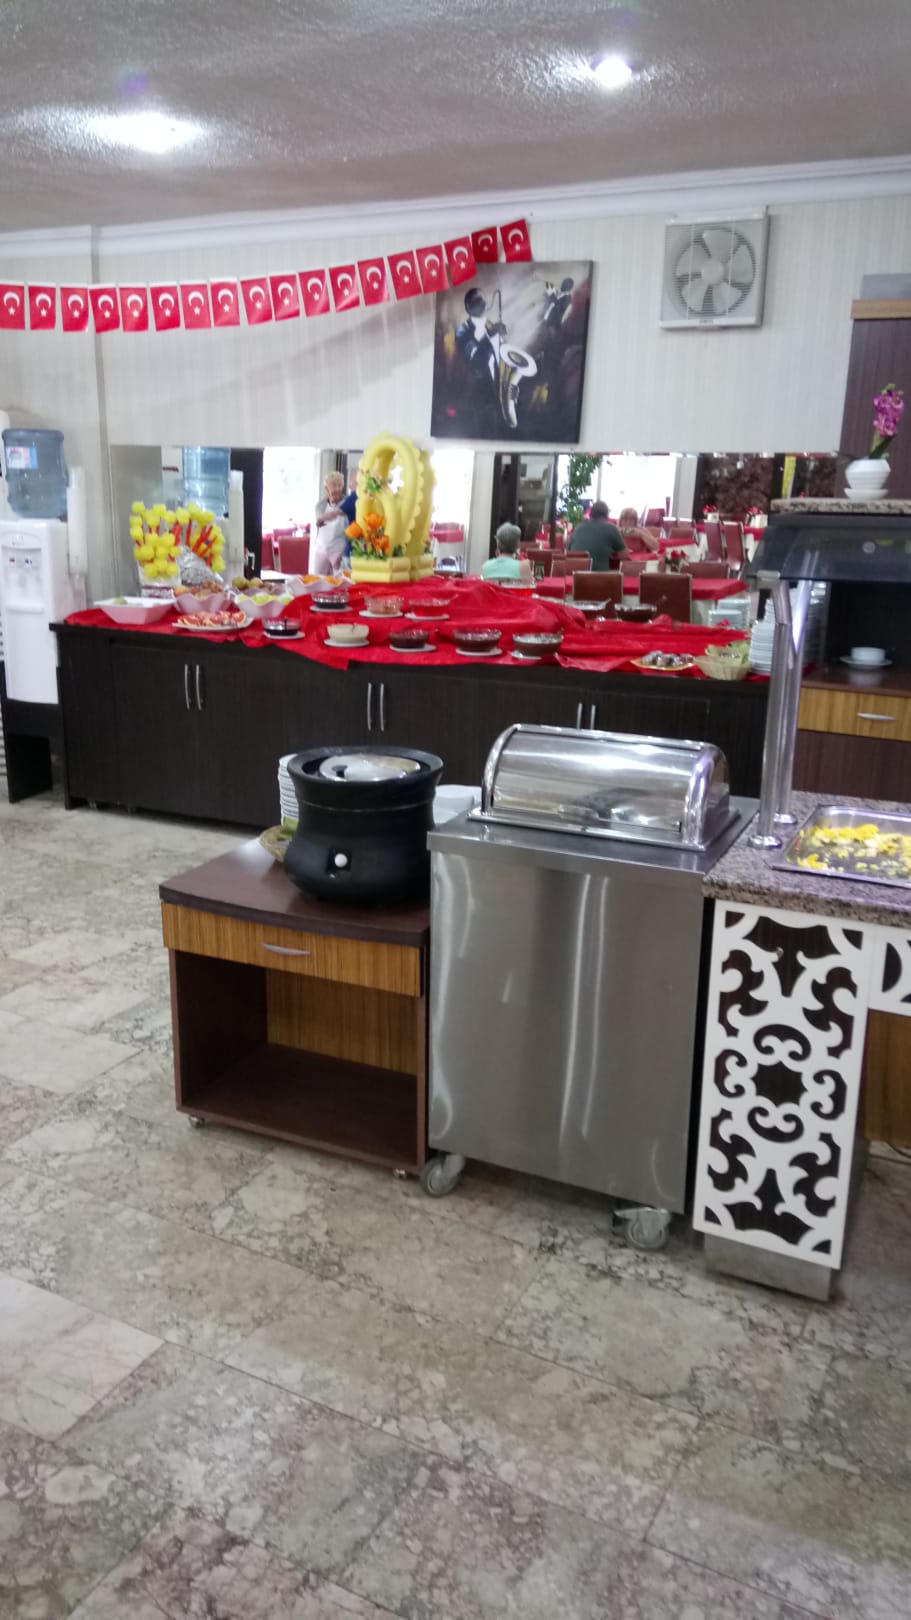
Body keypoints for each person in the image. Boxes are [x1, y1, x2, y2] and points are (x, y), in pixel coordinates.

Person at [568, 500, 627, 569]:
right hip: (598, 574)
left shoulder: (579, 527)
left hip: (574, 572)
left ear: (591, 514)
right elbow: (624, 555)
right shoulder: (611, 528)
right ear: (606, 515)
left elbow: (569, 550)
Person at [312, 471, 348, 575]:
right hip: (321, 548)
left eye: (340, 485)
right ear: (326, 488)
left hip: (339, 549)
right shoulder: (319, 506)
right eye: (334, 485)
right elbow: (320, 527)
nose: (337, 489)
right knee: (317, 580)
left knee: (340, 580)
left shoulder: (347, 504)